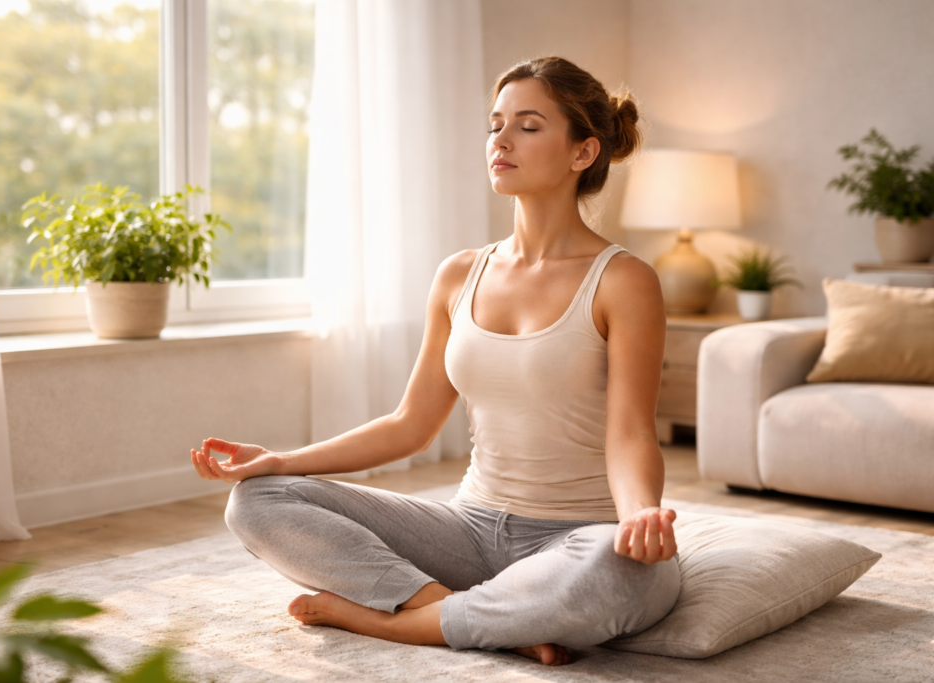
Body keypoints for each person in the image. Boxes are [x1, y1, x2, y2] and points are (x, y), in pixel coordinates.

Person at [190, 56, 679, 667]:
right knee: (259, 500)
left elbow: (630, 432)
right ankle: (455, 610)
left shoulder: (624, 280)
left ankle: (388, 620)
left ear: (583, 152)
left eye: (528, 126)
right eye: (496, 124)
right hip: (469, 531)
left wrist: (639, 516)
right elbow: (410, 424)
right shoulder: (459, 274)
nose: (501, 139)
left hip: (577, 536)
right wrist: (281, 460)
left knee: (627, 572)